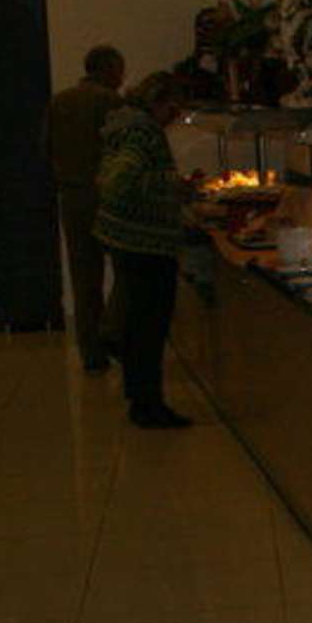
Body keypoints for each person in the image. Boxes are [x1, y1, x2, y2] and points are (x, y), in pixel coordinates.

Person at [94, 73, 193, 428]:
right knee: (149, 328)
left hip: (126, 240)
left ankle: (141, 399)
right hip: (145, 244)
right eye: (172, 109)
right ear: (158, 101)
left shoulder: (125, 124)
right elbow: (118, 180)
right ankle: (148, 405)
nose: (174, 117)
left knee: (138, 326)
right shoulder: (142, 132)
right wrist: (171, 185)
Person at [45, 45, 127, 370]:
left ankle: (91, 353)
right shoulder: (111, 103)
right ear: (109, 69)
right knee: (126, 269)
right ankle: (116, 334)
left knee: (84, 279)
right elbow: (123, 150)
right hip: (107, 196)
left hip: (72, 197)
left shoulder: (59, 102)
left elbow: (45, 148)